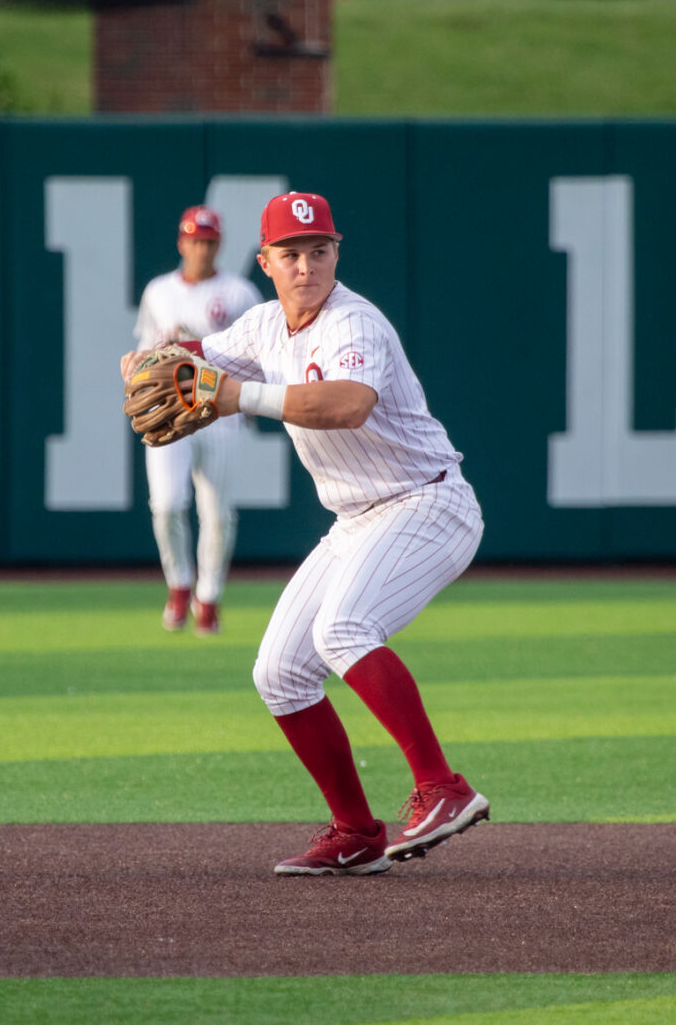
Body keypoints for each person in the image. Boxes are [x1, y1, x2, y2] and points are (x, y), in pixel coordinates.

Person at [122, 191, 488, 877]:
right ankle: (355, 830)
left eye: (318, 250)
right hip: (358, 516)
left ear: (335, 253)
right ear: (264, 262)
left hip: (427, 502)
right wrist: (144, 361)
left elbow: (345, 405)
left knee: (342, 628)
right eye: (289, 253)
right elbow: (188, 353)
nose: (305, 265)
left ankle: (443, 787)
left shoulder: (355, 323)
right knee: (279, 673)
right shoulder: (263, 326)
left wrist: (229, 395)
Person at [132, 205, 262, 635]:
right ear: (181, 242)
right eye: (194, 239)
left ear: (218, 244)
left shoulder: (241, 293)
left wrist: (244, 401)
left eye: (208, 240)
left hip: (220, 411)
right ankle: (179, 585)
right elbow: (146, 353)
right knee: (166, 504)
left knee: (218, 515)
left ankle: (209, 596)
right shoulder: (158, 291)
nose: (200, 248)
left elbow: (259, 354)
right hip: (170, 409)